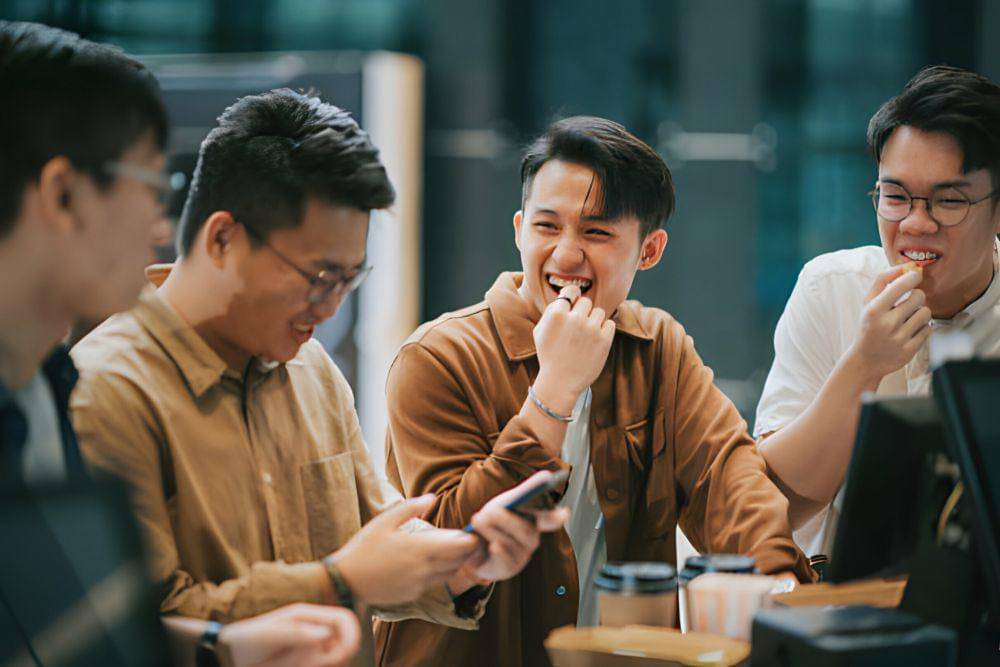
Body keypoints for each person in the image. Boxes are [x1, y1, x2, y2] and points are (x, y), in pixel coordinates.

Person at [69, 87, 567, 660]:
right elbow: (136, 627)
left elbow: (370, 534)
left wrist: (462, 561)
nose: (331, 307)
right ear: (223, 238)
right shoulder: (106, 391)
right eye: (318, 277)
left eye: (350, 280)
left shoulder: (308, 366)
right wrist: (338, 582)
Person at [376, 116, 814, 666]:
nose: (564, 255)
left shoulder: (658, 348)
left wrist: (777, 587)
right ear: (518, 229)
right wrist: (554, 389)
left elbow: (729, 478)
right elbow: (450, 555)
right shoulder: (438, 357)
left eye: (596, 232)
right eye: (546, 227)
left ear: (649, 250)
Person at [0, 20, 362, 666]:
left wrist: (224, 646)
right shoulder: (100, 383)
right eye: (148, 185)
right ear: (62, 193)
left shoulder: (44, 388)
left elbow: (76, 632)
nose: (162, 224)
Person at [754, 65, 1000, 559]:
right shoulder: (830, 289)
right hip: (842, 606)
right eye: (895, 197)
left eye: (948, 200)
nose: (915, 222)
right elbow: (770, 508)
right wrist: (865, 363)